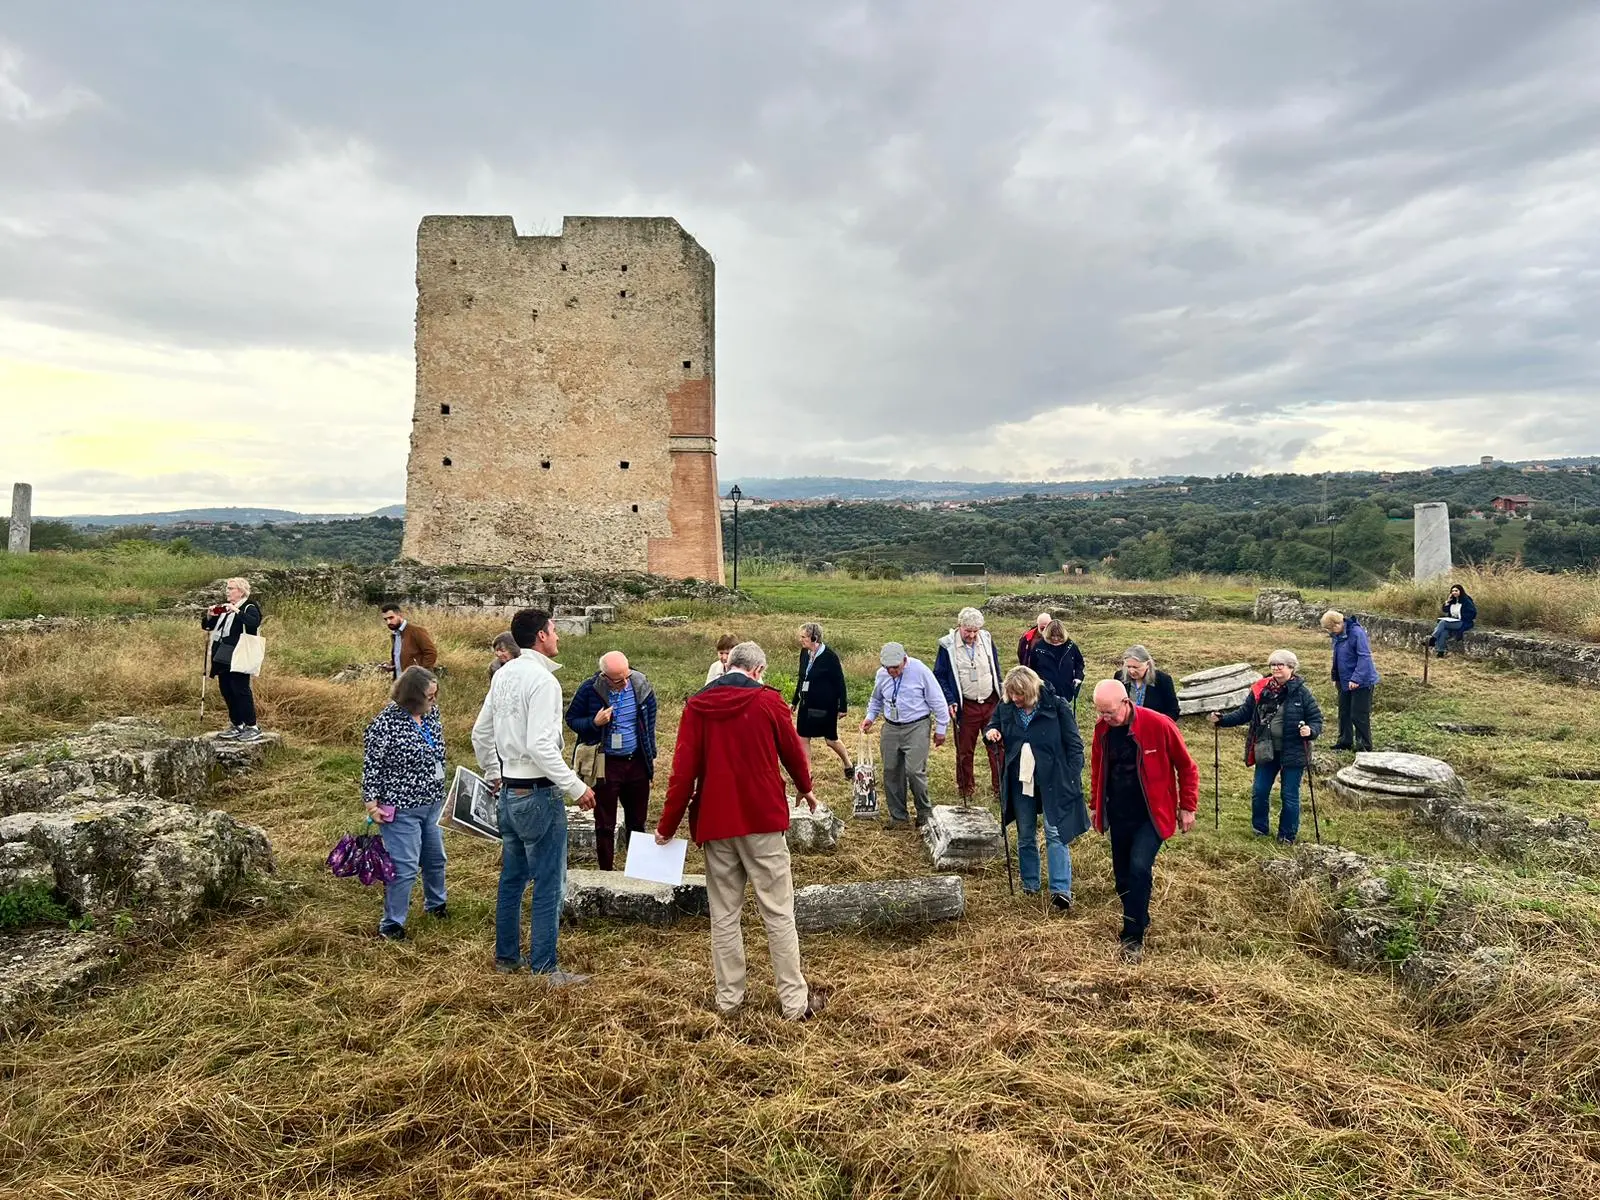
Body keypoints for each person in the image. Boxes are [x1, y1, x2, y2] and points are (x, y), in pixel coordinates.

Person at [655, 641, 826, 1021]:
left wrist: (667, 826)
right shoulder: (768, 701)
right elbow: (793, 753)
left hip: (716, 822)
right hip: (762, 819)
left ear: (729, 665)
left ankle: (729, 999)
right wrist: (805, 787)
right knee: (778, 911)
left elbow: (682, 773)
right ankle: (794, 1003)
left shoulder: (697, 705)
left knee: (725, 914)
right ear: (758, 670)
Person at [471, 607, 596, 984]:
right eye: (554, 630)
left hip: (509, 790)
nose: (558, 636)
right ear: (541, 635)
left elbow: (481, 733)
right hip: (538, 794)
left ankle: (507, 957)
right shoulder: (543, 682)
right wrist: (577, 787)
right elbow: (541, 745)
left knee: (511, 878)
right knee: (546, 881)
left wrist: (495, 774)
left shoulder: (504, 674)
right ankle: (545, 968)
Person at [1088, 679, 1199, 963]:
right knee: (1122, 879)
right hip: (1119, 813)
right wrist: (1095, 806)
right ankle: (1140, 913)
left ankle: (1132, 937)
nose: (1104, 718)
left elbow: (1187, 767)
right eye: (1100, 712)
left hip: (1151, 815)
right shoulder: (1102, 730)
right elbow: (1098, 770)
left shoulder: (1158, 725)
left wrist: (1187, 807)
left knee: (1139, 868)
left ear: (1126, 702)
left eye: (1109, 712)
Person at [984, 666, 1089, 908]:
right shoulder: (1007, 706)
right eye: (1011, 695)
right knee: (1025, 833)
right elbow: (993, 724)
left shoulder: (1057, 706)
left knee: (1055, 832)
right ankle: (1030, 884)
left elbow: (1074, 744)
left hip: (1053, 778)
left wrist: (1072, 775)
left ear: (1031, 691)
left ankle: (1060, 890)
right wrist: (992, 732)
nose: (1016, 700)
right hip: (1021, 779)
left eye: (1019, 695)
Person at [361, 667, 448, 940]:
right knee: (405, 867)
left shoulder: (431, 715)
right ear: (412, 696)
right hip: (401, 809)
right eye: (429, 696)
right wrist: (372, 804)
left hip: (433, 803)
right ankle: (392, 924)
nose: (434, 701)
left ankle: (437, 905)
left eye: (435, 695)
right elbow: (372, 766)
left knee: (435, 859)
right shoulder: (385, 723)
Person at [1209, 650, 1324, 843]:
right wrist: (1222, 720)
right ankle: (1259, 829)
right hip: (1266, 748)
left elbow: (1316, 719)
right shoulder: (1261, 689)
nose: (1276, 668)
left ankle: (1287, 836)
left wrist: (1310, 731)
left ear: (1291, 668)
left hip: (1293, 751)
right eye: (1273, 665)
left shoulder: (1302, 692)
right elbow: (1244, 714)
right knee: (1260, 791)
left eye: (1281, 664)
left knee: (1289, 795)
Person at [565, 651, 658, 871]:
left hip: (636, 762)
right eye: (618, 680)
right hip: (606, 763)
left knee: (637, 820)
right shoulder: (589, 689)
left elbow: (650, 721)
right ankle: (606, 871)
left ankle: (639, 870)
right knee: (605, 822)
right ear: (605, 677)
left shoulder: (640, 685)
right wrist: (594, 722)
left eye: (627, 675)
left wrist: (649, 756)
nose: (625, 683)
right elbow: (571, 719)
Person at [861, 643, 949, 829]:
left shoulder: (920, 670)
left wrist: (941, 728)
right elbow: (876, 699)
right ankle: (898, 817)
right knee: (891, 771)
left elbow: (938, 700)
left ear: (904, 660)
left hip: (916, 725)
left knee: (914, 771)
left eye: (896, 667)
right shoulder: (882, 674)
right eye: (888, 668)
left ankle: (924, 813)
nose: (892, 671)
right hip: (891, 727)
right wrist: (870, 717)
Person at [933, 607, 1004, 802]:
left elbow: (995, 668)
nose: (972, 635)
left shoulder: (987, 639)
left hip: (990, 703)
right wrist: (950, 700)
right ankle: (966, 789)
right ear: (959, 626)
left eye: (975, 631)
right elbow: (939, 675)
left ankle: (1000, 788)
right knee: (965, 750)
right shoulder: (947, 645)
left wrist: (1001, 692)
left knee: (996, 746)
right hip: (967, 706)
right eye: (968, 631)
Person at [201, 576, 264, 742]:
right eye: (227, 588)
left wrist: (235, 610)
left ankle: (252, 726)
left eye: (231, 589)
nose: (227, 592)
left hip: (239, 652)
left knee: (240, 689)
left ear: (241, 591)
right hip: (223, 652)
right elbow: (208, 626)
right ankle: (237, 723)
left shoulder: (249, 606)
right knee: (227, 688)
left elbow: (253, 623)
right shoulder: (226, 608)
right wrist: (210, 615)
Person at [791, 623, 852, 782]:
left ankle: (848, 763)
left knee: (830, 740)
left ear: (814, 638)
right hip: (806, 703)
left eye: (803, 637)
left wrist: (843, 706)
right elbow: (801, 677)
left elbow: (840, 682)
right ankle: (807, 773)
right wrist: (795, 700)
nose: (801, 640)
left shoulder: (830, 657)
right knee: (803, 737)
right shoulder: (804, 653)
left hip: (825, 705)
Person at [1321, 610, 1378, 751]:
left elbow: (1364, 657)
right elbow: (1338, 657)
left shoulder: (1357, 633)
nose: (1330, 632)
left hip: (1362, 681)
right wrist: (1336, 677)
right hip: (1344, 680)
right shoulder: (1338, 635)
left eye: (1330, 628)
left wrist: (1356, 678)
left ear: (1337, 624)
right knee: (1344, 712)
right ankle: (1344, 742)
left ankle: (1364, 746)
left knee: (1358, 714)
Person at [1116, 645, 1181, 723]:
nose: (1131, 671)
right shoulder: (1119, 677)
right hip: (1126, 729)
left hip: (1154, 728)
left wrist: (1159, 724)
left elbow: (1173, 711)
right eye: (1128, 667)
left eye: (1136, 667)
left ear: (1147, 664)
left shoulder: (1163, 680)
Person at [1030, 619, 1086, 706]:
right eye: (1052, 636)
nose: (1056, 639)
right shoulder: (1038, 647)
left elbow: (1079, 663)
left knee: (1066, 717)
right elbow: (1032, 669)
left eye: (1059, 636)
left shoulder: (1071, 646)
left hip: (1066, 692)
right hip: (1045, 693)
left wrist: (1078, 678)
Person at [382, 604, 438, 676]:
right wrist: (391, 665)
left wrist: (419, 673)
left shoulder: (416, 631)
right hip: (401, 681)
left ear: (400, 615)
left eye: (391, 618)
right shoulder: (395, 635)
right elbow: (404, 657)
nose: (388, 622)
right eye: (385, 619)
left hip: (418, 682)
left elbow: (431, 653)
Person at [1432, 583, 1478, 656]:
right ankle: (1440, 652)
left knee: (1443, 623)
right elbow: (1445, 610)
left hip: (1463, 622)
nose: (1454, 592)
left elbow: (1473, 612)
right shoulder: (1452, 601)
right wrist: (1447, 601)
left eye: (1456, 591)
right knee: (1443, 632)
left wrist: (1462, 617)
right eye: (1452, 591)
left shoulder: (1466, 600)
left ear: (1460, 591)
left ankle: (1433, 638)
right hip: (1452, 621)